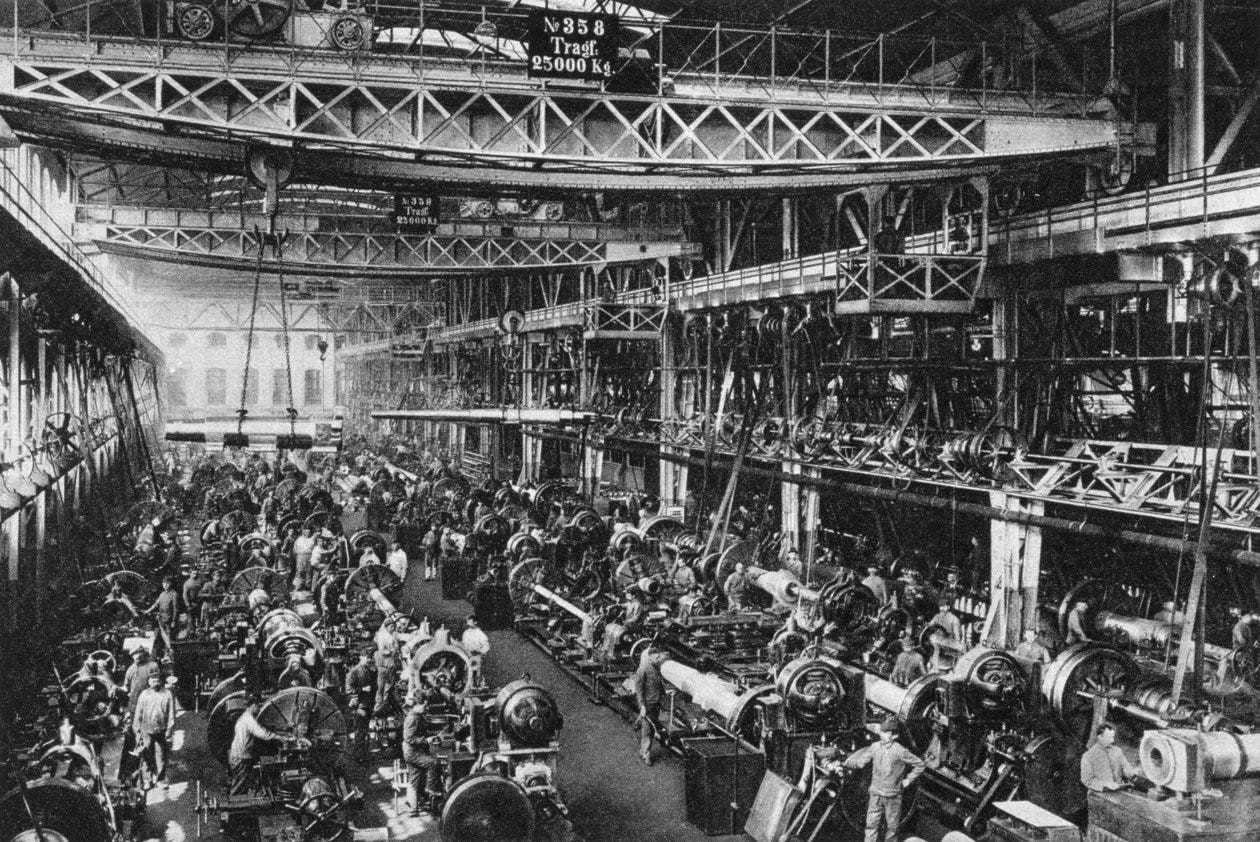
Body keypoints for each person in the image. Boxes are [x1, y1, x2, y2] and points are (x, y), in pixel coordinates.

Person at [842, 717, 925, 842]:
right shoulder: (875, 747)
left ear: (895, 736)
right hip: (876, 794)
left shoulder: (900, 751)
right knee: (871, 826)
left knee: (892, 828)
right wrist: (845, 762)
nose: (883, 734)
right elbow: (860, 763)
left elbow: (920, 765)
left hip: (892, 795)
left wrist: (908, 780)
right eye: (882, 731)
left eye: (887, 733)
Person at [229, 699, 292, 795]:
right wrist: (281, 738)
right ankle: (234, 802)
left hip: (239, 754)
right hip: (241, 756)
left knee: (242, 781)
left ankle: (240, 798)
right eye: (258, 706)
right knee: (239, 785)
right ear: (253, 705)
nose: (259, 709)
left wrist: (283, 729)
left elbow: (264, 727)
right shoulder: (249, 719)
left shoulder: (245, 717)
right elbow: (263, 734)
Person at [132, 671, 176, 790]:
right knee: (146, 756)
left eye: (157, 680)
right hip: (146, 730)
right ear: (149, 682)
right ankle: (147, 780)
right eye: (153, 680)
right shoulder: (144, 695)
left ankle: (160, 780)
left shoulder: (167, 694)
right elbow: (138, 713)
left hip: (161, 730)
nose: (155, 683)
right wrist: (137, 730)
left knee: (161, 756)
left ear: (161, 681)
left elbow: (171, 713)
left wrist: (169, 729)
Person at [402, 702, 442, 816]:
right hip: (413, 753)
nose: (426, 708)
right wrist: (426, 741)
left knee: (414, 779)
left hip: (412, 752)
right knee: (434, 763)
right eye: (424, 706)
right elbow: (409, 738)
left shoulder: (417, 716)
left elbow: (420, 733)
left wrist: (433, 734)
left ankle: (413, 808)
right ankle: (431, 791)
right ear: (416, 706)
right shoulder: (412, 718)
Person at [1080, 721, 1141, 792]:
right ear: (1100, 737)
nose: (1113, 740)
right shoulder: (1088, 756)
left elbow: (1126, 768)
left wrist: (1132, 772)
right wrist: (1106, 785)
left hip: (1119, 792)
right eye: (1109, 738)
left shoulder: (1117, 751)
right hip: (1100, 793)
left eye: (1113, 737)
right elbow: (1087, 780)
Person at [634, 647, 667, 766]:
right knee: (647, 730)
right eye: (657, 657)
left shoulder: (656, 667)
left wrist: (665, 692)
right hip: (648, 704)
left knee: (651, 729)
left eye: (659, 657)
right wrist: (642, 706)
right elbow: (639, 690)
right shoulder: (643, 669)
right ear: (650, 656)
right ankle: (646, 754)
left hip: (656, 702)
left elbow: (658, 683)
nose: (659, 659)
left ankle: (643, 750)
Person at [345, 652, 376, 757]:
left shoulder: (369, 670)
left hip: (368, 705)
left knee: (365, 730)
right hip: (359, 706)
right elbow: (349, 690)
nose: (369, 660)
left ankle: (364, 752)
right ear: (360, 657)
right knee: (360, 731)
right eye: (366, 657)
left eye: (370, 657)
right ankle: (358, 755)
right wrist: (363, 689)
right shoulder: (354, 671)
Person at [146, 576, 181, 661]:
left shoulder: (174, 594)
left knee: (168, 639)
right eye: (164, 583)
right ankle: (158, 656)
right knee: (158, 637)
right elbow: (156, 604)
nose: (165, 585)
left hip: (169, 620)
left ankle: (169, 656)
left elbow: (176, 609)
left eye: (167, 583)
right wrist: (148, 611)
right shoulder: (162, 594)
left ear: (170, 584)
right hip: (161, 620)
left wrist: (174, 621)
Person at [124, 646, 161, 713]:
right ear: (132, 655)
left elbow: (157, 685)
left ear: (144, 654)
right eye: (135, 654)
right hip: (134, 704)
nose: (138, 655)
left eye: (140, 653)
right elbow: (127, 687)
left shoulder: (152, 666)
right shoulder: (130, 669)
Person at [460, 616, 490, 689]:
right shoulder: (466, 633)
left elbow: (486, 645)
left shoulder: (479, 633)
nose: (468, 623)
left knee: (477, 673)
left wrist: (480, 651)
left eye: (470, 622)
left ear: (475, 622)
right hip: (467, 656)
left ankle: (478, 687)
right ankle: (469, 688)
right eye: (467, 622)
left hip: (476, 656)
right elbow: (463, 644)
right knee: (468, 673)